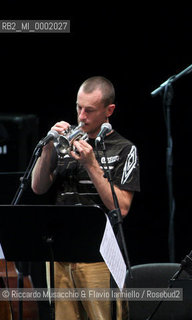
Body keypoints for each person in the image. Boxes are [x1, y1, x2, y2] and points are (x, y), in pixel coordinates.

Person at [31, 76, 140, 320]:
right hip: (60, 254)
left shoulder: (124, 148)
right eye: (79, 107)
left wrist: (92, 165)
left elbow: (121, 208)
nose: (81, 117)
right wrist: (48, 147)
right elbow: (38, 187)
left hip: (98, 257)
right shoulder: (67, 143)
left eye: (89, 110)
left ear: (109, 111)